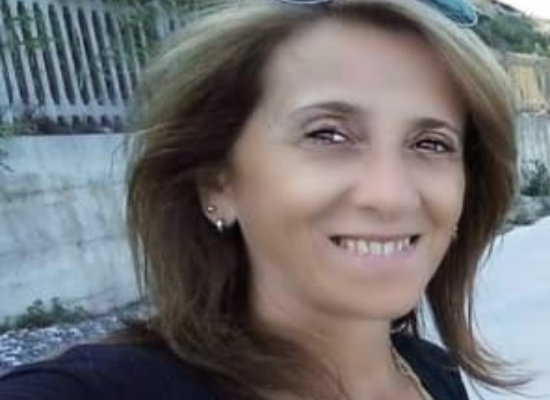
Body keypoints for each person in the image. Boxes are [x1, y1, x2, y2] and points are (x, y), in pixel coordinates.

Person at [0, 0, 528, 399]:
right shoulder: (100, 390)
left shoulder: (431, 372)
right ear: (216, 182)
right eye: (327, 134)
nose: (390, 196)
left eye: (431, 144)